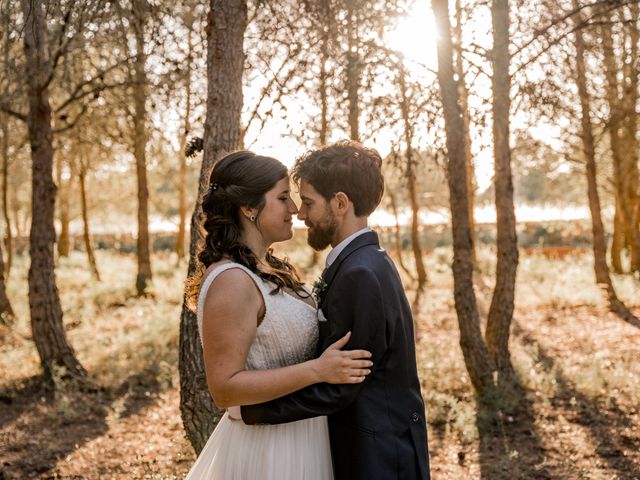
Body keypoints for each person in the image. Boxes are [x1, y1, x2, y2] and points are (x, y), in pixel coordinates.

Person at [241, 141, 431, 480]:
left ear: (340, 203)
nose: (300, 214)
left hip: (377, 459)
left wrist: (254, 410)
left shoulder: (360, 273)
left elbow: (342, 383)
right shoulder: (364, 262)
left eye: (309, 203)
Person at [185, 150, 373, 480]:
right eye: (283, 198)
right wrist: (318, 370)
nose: (295, 209)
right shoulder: (231, 281)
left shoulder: (270, 270)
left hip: (305, 436)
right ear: (249, 208)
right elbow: (224, 388)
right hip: (268, 450)